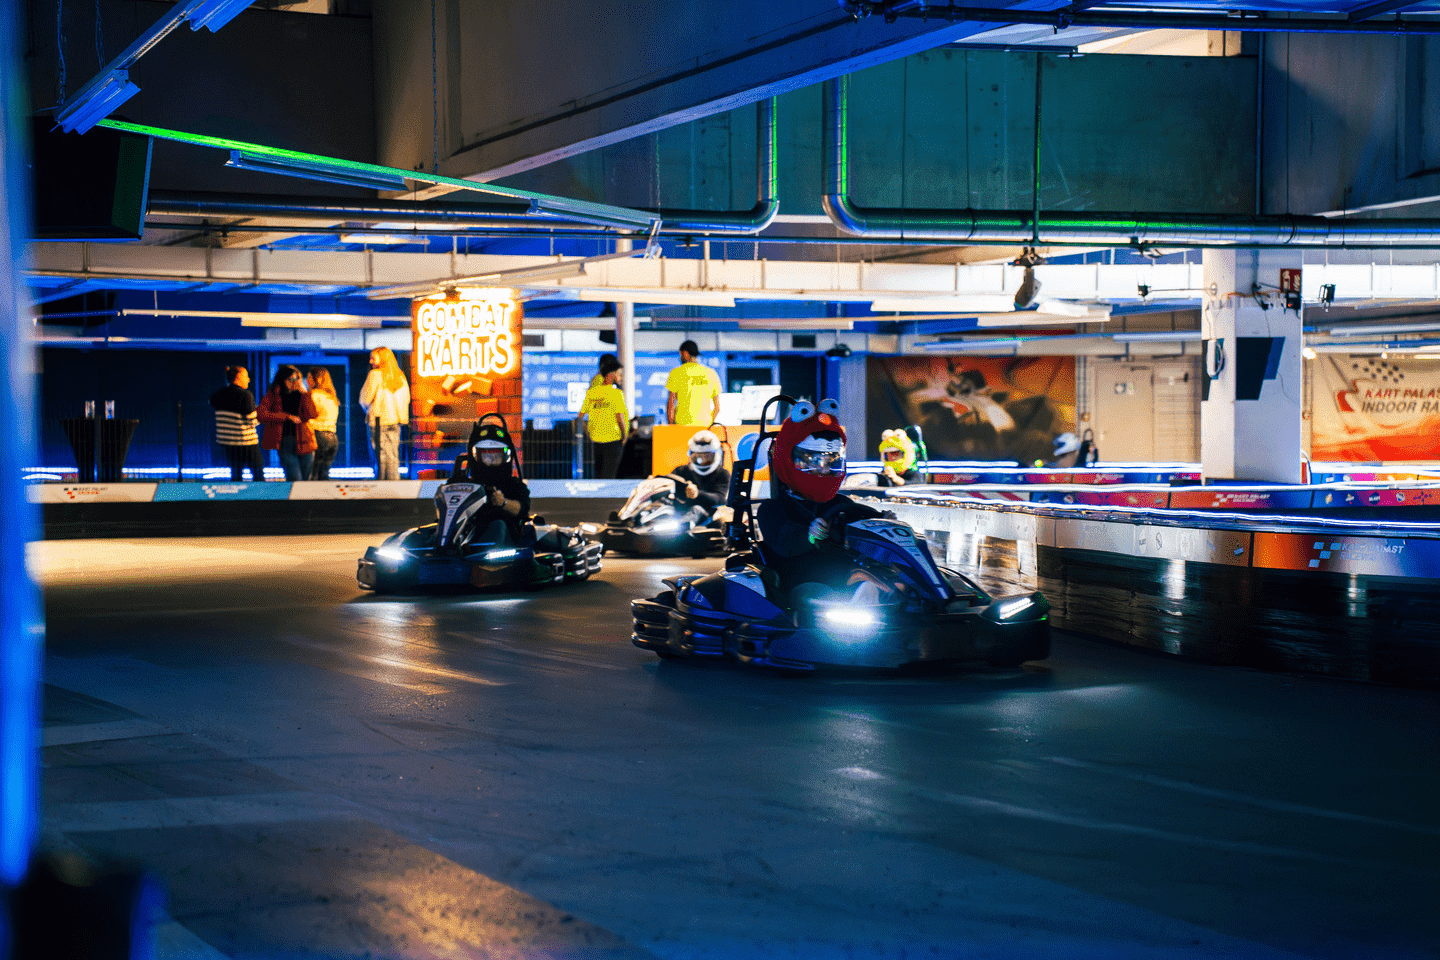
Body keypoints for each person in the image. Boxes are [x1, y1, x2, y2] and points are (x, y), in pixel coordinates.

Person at [755, 399, 883, 595]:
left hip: (845, 580)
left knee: (889, 580)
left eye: (830, 461)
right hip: (801, 585)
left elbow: (864, 523)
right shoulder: (772, 509)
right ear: (791, 460)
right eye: (816, 461)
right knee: (820, 593)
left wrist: (883, 524)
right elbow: (785, 542)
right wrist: (810, 535)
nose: (824, 469)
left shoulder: (842, 504)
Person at [449, 418, 531, 544]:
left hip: (500, 542)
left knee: (498, 524)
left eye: (496, 456)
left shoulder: (513, 485)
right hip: (464, 534)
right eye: (487, 455)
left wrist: (502, 502)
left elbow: (522, 509)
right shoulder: (463, 483)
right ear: (478, 456)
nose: (492, 459)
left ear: (505, 456)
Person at [257, 365, 319, 481]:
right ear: (282, 379)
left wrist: (305, 393)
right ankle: (295, 499)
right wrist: (286, 416)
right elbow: (261, 414)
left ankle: (303, 499)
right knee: (295, 478)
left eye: (297, 379)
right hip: (285, 440)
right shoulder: (273, 394)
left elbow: (312, 414)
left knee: (306, 478)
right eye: (291, 379)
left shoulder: (302, 394)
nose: (294, 382)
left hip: (305, 439)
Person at [360, 346, 410, 480]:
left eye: (373, 357)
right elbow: (406, 399)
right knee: (393, 456)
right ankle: (393, 484)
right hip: (396, 421)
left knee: (379, 456)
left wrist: (369, 410)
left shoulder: (375, 375)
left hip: (378, 420)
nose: (370, 361)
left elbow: (364, 399)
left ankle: (381, 485)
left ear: (382, 358)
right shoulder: (400, 376)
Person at [209, 365, 265, 481]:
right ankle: (262, 497)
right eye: (246, 376)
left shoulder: (217, 396)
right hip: (246, 442)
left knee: (236, 474)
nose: (248, 379)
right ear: (239, 376)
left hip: (228, 443)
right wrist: (260, 413)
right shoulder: (246, 395)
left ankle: (235, 498)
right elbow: (252, 420)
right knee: (258, 473)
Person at [582, 355, 628, 478]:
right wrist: (624, 433)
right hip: (610, 434)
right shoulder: (601, 382)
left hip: (601, 433)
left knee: (602, 473)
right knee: (608, 474)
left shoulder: (597, 381)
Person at [668, 428, 730, 515]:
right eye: (698, 457)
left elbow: (720, 499)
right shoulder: (681, 471)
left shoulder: (722, 474)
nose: (703, 461)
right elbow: (668, 484)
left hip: (708, 519)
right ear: (691, 455)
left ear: (716, 455)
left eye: (708, 456)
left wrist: (698, 493)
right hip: (679, 517)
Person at [665, 340, 721, 426]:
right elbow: (717, 407)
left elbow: (671, 404)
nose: (680, 358)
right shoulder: (711, 373)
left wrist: (671, 425)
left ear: (685, 353)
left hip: (682, 425)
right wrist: (708, 422)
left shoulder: (676, 373)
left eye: (680, 355)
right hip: (704, 426)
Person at [306, 368, 340, 481]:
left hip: (317, 435)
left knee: (313, 475)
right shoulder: (332, 397)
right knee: (324, 475)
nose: (307, 381)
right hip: (332, 437)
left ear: (317, 380)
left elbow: (307, 415)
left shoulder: (313, 395)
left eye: (310, 378)